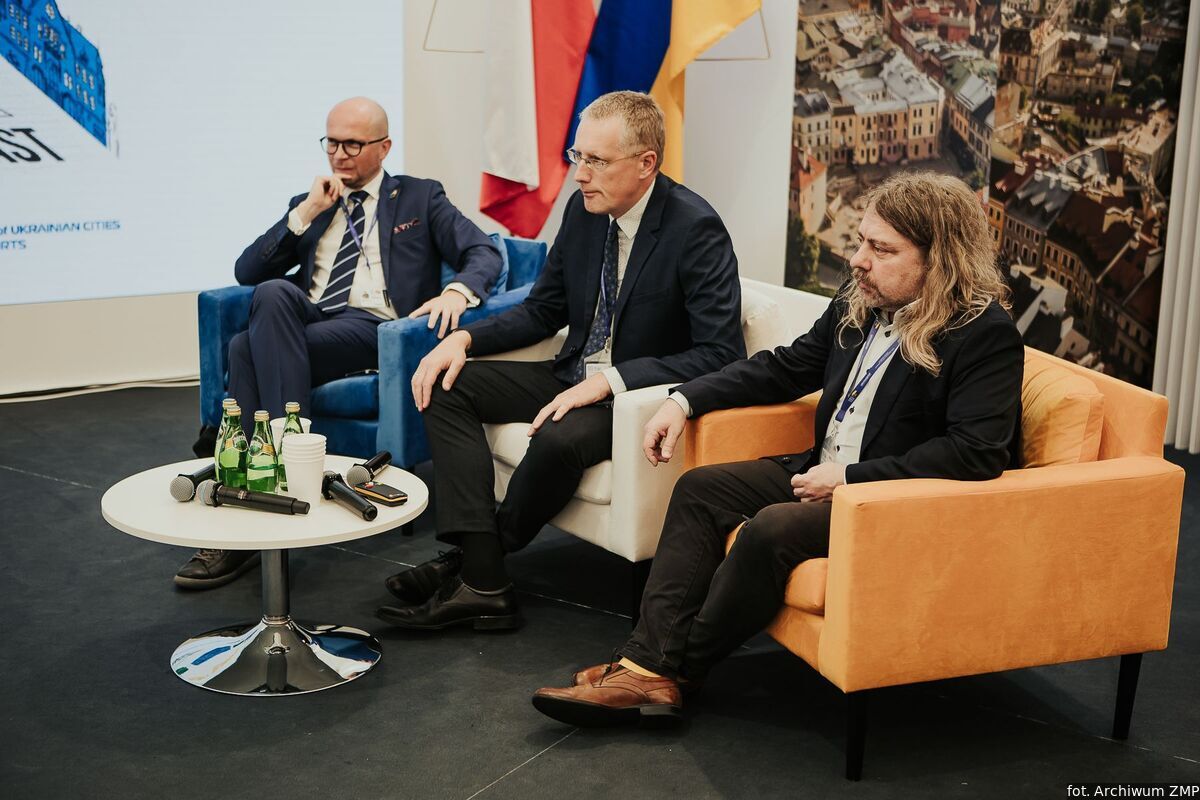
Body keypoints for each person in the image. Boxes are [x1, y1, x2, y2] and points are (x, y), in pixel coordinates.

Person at [530, 171, 1025, 727]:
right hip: (822, 472)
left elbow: (975, 452)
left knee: (772, 527)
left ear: (940, 260)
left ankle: (664, 670)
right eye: (861, 241)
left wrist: (850, 479)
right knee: (701, 488)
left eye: (882, 250)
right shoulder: (862, 301)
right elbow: (784, 368)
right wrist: (683, 400)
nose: (858, 260)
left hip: (886, 502)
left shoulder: (984, 333)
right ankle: (648, 666)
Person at [375, 91, 745, 632]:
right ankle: (484, 576)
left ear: (646, 163)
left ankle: (473, 572)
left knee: (558, 437)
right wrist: (466, 339)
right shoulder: (585, 211)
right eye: (577, 156)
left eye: (596, 160)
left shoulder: (695, 228)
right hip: (571, 371)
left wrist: (612, 381)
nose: (580, 174)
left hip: (634, 399)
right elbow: (543, 310)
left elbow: (720, 353)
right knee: (447, 383)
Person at [176, 97, 503, 590]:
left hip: (376, 328)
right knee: (269, 299)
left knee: (245, 347)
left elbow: (481, 251)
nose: (339, 155)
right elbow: (247, 271)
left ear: (384, 147)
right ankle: (290, 462)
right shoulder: (312, 202)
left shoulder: (419, 197)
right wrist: (307, 211)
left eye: (352, 144)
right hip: (309, 321)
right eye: (331, 143)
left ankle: (247, 502)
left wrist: (457, 291)